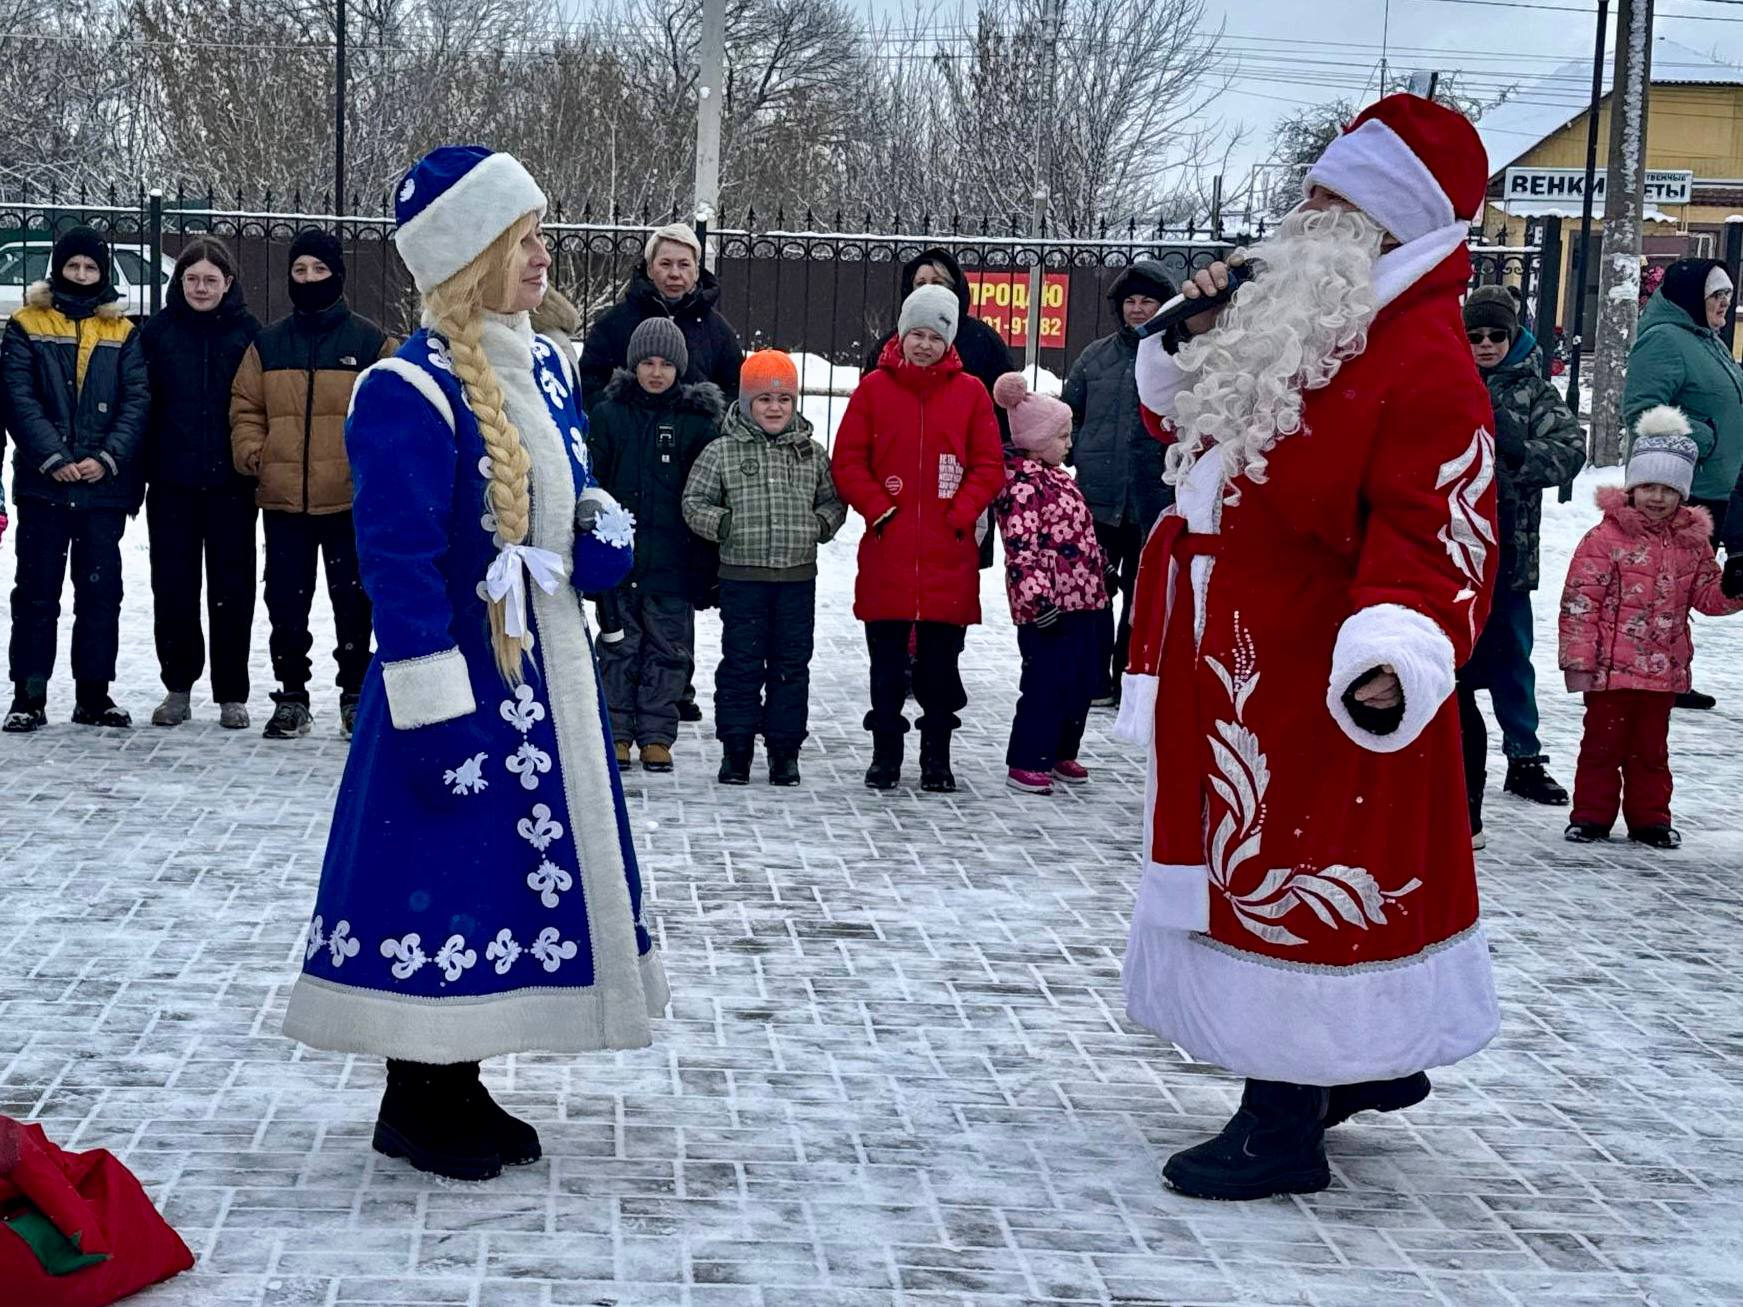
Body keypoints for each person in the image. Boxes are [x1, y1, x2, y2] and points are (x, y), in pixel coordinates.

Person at [1117, 95, 1501, 1200]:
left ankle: (1284, 1118)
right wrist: (1188, 334)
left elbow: (1443, 527)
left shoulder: (1421, 356)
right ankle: (1361, 1064)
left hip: (1318, 672)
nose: (1301, 214)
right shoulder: (1314, 320)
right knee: (1247, 855)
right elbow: (1195, 432)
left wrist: (1393, 647)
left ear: (1384, 220)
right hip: (1241, 654)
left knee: (1293, 871)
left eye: (1329, 199)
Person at [280, 146, 667, 1182]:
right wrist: (434, 711)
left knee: (500, 885)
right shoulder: (404, 388)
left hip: (543, 678)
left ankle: (460, 1078)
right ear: (470, 256)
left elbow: (571, 490)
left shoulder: (545, 364)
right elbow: (397, 564)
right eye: (522, 240)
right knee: (439, 875)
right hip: (459, 682)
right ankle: (415, 1093)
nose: (543, 256)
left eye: (540, 237)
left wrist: (597, 532)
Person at [832, 285, 1005, 793]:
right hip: (888, 551)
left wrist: (962, 513)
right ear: (902, 335)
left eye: (935, 337)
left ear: (949, 341)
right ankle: (885, 753)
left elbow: (989, 465)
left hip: (948, 554)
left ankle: (937, 756)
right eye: (917, 335)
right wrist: (879, 509)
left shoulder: (971, 393)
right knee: (887, 668)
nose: (925, 345)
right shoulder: (873, 390)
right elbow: (848, 462)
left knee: (939, 670)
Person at [577, 222, 744, 725]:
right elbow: (591, 383)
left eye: (684, 264)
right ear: (649, 268)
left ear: (697, 270)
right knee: (624, 616)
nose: (675, 273)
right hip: (628, 477)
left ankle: (671, 694)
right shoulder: (616, 324)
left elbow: (733, 394)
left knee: (672, 611)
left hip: (683, 485)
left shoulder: (717, 330)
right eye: (665, 263)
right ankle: (622, 704)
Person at [231, 229, 393, 740]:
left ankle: (354, 694)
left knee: (354, 601)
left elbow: (391, 412)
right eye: (299, 270)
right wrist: (255, 452)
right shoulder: (268, 343)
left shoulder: (369, 342)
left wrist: (370, 468)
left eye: (318, 270)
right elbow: (246, 407)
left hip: (348, 499)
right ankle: (292, 696)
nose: (308, 279)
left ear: (337, 275)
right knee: (285, 602)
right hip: (284, 500)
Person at [1559, 409, 1743, 850]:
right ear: (1632, 488)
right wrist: (1579, 663)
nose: (1657, 498)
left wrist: (1733, 589)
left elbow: (1706, 597)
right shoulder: (1604, 540)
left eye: (1668, 490)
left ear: (1682, 494)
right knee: (1601, 746)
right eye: (1648, 487)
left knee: (1651, 751)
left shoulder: (1692, 544)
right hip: (1609, 672)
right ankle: (1591, 815)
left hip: (1662, 673)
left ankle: (1651, 818)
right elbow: (1580, 603)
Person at [2, 226, 149, 732]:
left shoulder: (123, 331)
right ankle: (29, 694)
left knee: (100, 595)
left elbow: (137, 402)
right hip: (44, 486)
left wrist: (106, 458)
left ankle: (94, 693)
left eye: (90, 267)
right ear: (58, 269)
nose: (82, 275)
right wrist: (54, 456)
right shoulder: (26, 324)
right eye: (73, 266)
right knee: (36, 593)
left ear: (102, 273)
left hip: (102, 489)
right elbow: (18, 397)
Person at [1456, 285, 1586, 845]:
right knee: (1453, 661)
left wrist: (1519, 454)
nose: (1486, 345)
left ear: (1513, 336)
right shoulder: (1445, 378)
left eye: (1496, 335)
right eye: (1475, 335)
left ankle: (1524, 755)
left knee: (1512, 656)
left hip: (1510, 552)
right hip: (1451, 547)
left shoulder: (1533, 390)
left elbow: (1570, 450)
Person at [684, 350, 845, 786]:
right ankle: (736, 748)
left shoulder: (810, 453)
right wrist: (724, 524)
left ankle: (784, 749)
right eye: (765, 399)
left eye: (784, 399)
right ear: (746, 402)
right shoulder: (722, 451)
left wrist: (820, 524)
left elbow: (833, 500)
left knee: (791, 665)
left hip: (796, 579)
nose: (775, 408)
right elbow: (694, 501)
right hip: (743, 578)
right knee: (742, 664)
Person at [138, 237, 264, 730]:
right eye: (192, 279)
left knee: (233, 589)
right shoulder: (158, 333)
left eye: (211, 279)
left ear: (227, 283)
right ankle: (177, 686)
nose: (201, 288)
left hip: (232, 485)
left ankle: (232, 692)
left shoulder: (249, 334)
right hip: (172, 481)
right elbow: (142, 403)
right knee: (174, 588)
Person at [588, 318, 724, 773]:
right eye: (647, 362)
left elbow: (707, 491)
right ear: (634, 365)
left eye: (666, 364)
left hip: (673, 562)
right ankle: (617, 731)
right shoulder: (609, 416)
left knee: (668, 651)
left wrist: (703, 561)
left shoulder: (696, 423)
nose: (656, 372)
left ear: (679, 368)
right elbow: (593, 483)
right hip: (620, 561)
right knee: (618, 647)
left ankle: (657, 735)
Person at [1621, 258, 1743, 711]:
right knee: (1666, 590)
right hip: (1684, 489)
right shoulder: (1664, 340)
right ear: (1692, 298)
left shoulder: (1705, 339)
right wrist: (1707, 438)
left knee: (1681, 590)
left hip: (1719, 485)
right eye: (1716, 296)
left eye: (1727, 295)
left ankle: (1669, 675)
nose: (1725, 304)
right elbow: (1641, 410)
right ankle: (1647, 676)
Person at [1061, 260, 1175, 705]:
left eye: (1148, 300)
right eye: (1130, 301)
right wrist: (1072, 453)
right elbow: (1070, 415)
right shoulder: (1096, 356)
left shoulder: (1178, 357)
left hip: (1154, 497)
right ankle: (1094, 681)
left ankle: (1130, 675)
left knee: (1142, 595)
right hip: (1099, 497)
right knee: (1093, 591)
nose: (1138, 309)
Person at [991, 372, 1109, 795]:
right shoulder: (1022, 487)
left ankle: (1061, 750)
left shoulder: (1059, 478)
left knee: (1079, 682)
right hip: (1048, 609)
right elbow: (1021, 550)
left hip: (1084, 599)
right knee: (1046, 683)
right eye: (1061, 436)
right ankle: (1028, 758)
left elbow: (1080, 534)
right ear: (1037, 439)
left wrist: (1102, 568)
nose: (1069, 444)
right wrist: (1038, 601)